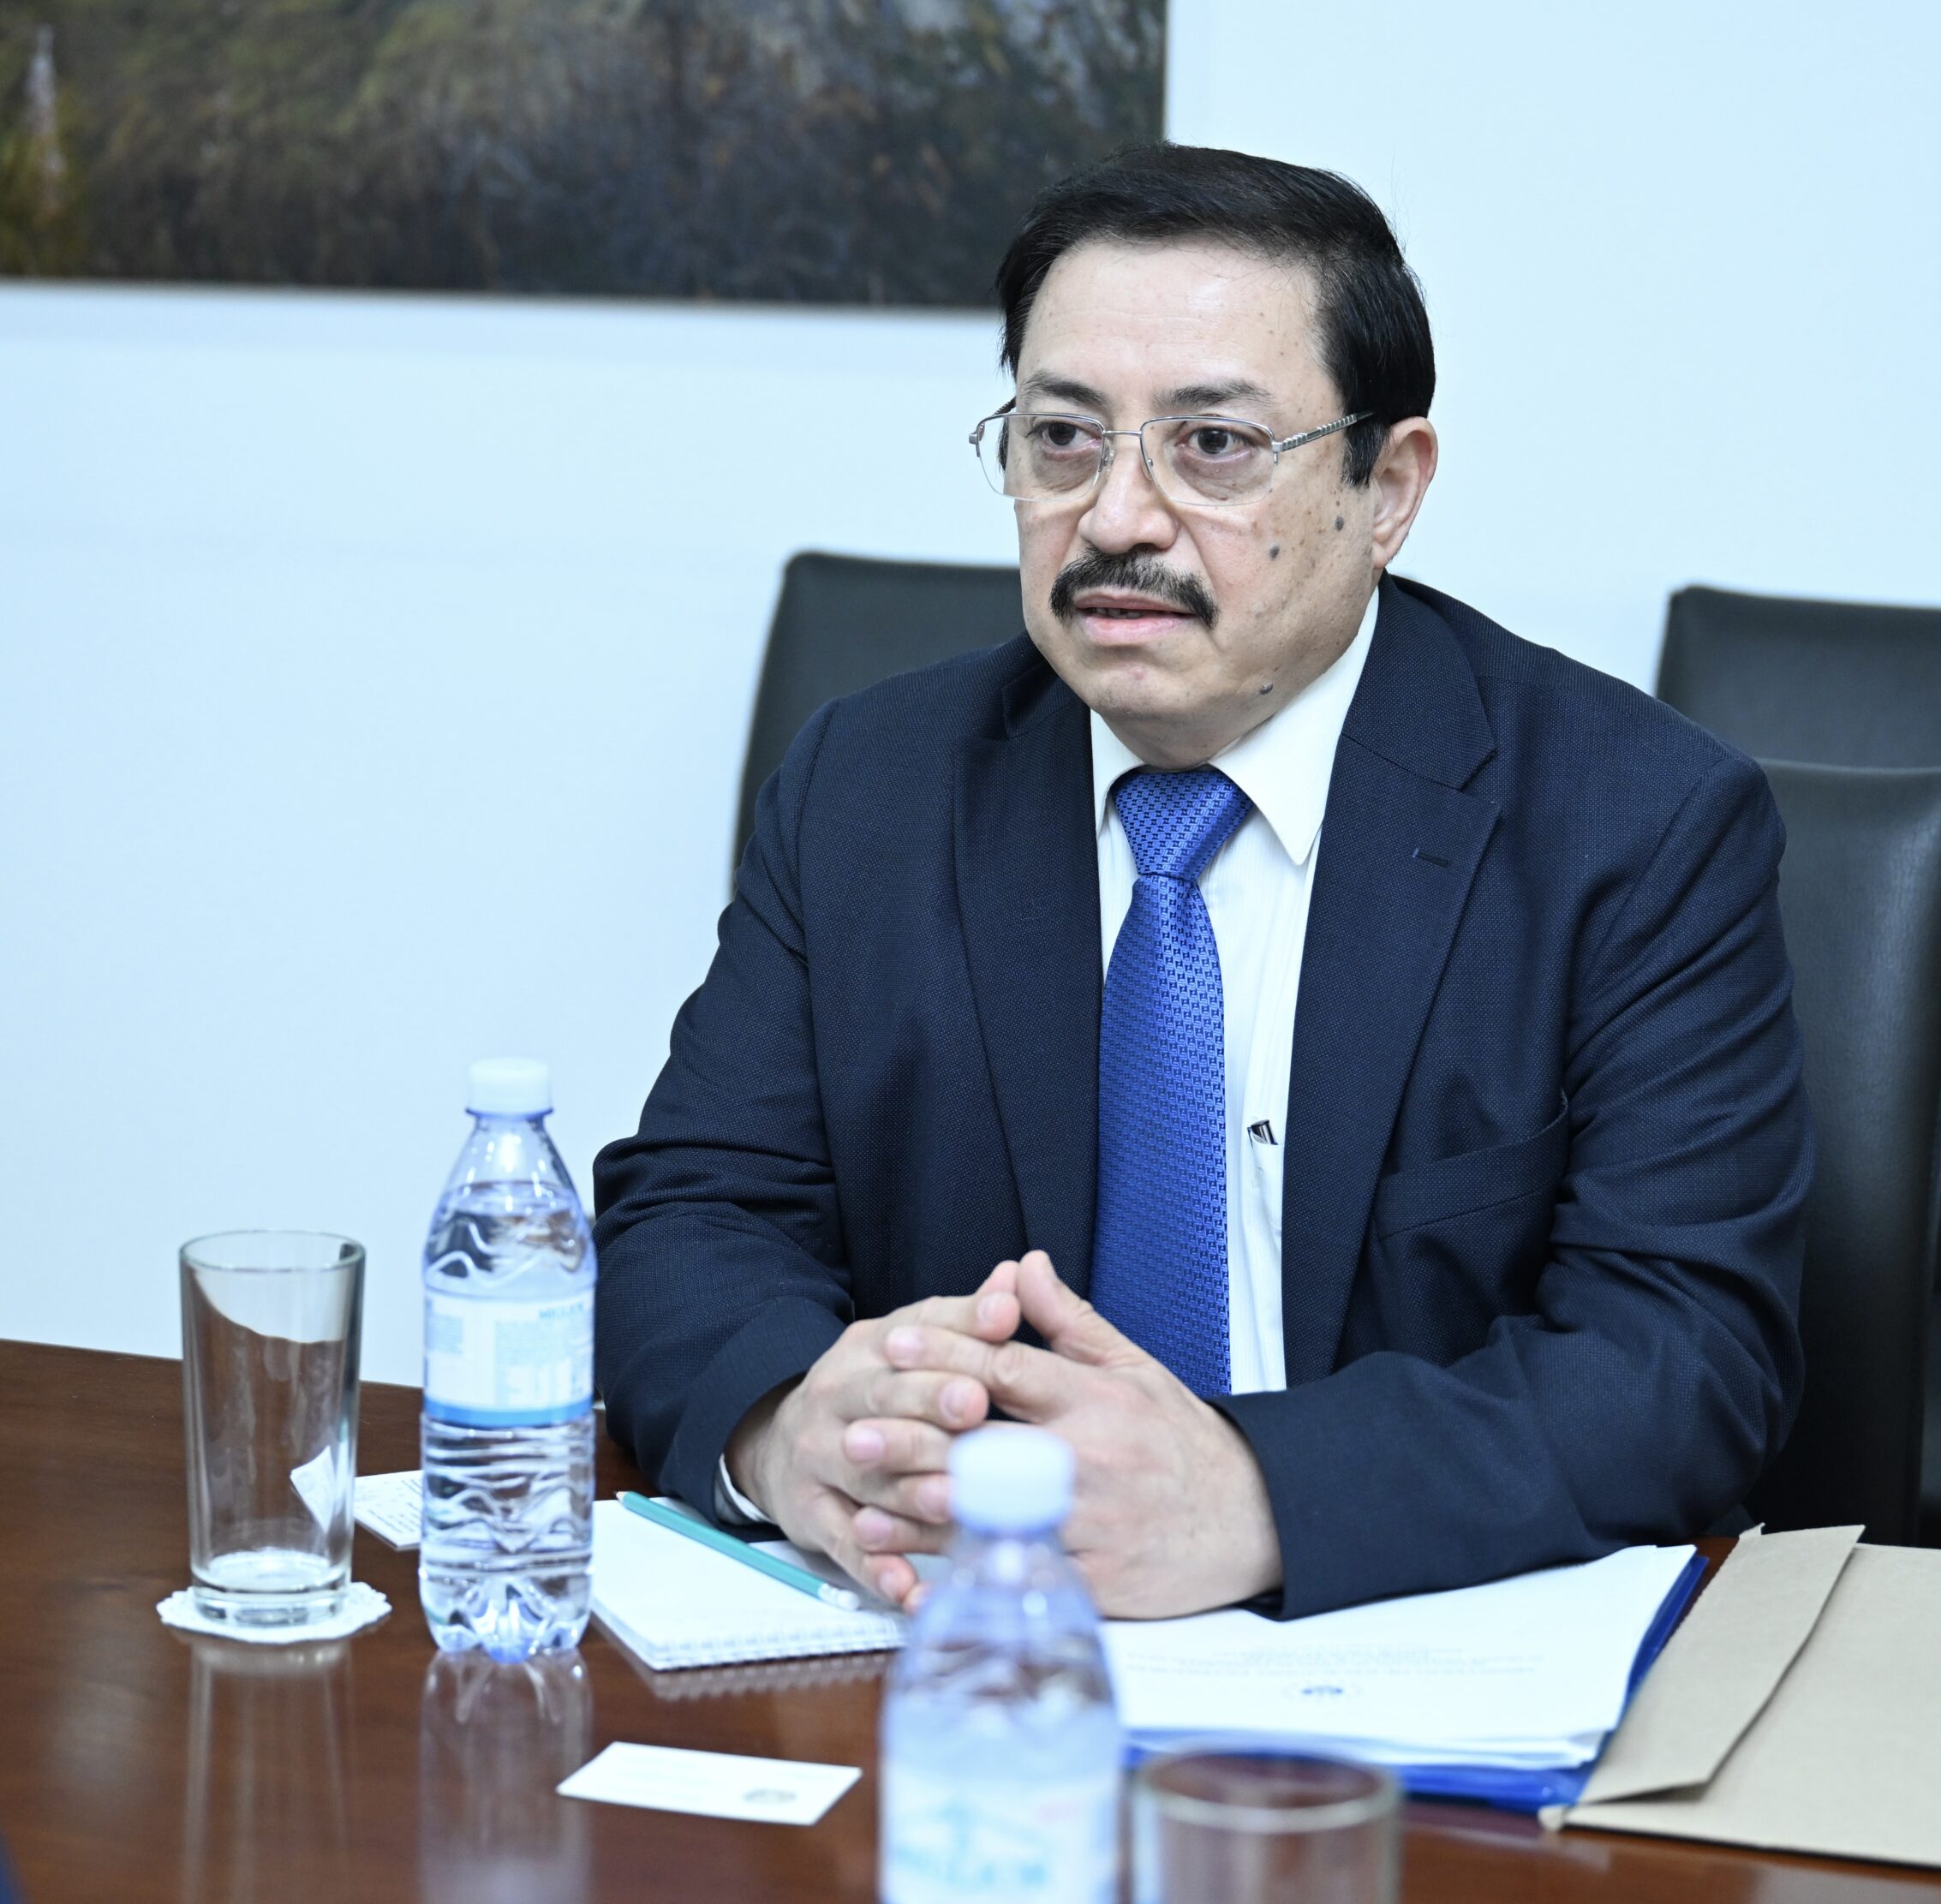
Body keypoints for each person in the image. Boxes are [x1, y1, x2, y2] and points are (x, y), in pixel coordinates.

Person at [594, 144, 1812, 1622]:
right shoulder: (873, 786)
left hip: (1401, 1650)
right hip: (957, 1636)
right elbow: (691, 1217)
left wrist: (1252, 1495)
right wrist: (790, 1428)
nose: (1117, 517)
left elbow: (1683, 1359)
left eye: (1214, 446)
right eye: (1063, 438)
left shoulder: (1633, 825)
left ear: (1388, 489)